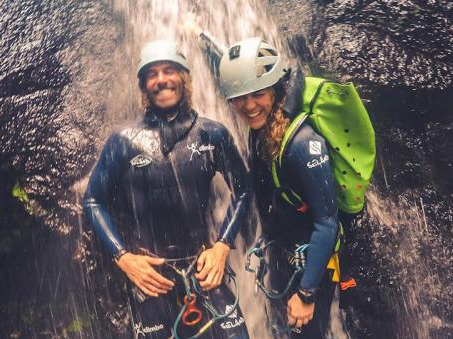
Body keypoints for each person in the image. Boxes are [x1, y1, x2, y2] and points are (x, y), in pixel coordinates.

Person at [83, 40, 251, 339]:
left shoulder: (213, 133)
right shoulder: (123, 141)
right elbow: (94, 201)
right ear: (144, 85)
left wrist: (223, 246)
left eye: (169, 70)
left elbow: (244, 190)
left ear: (184, 77)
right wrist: (124, 258)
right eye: (152, 74)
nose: (161, 80)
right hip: (150, 281)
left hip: (206, 270)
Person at [217, 37, 339, 338]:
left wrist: (307, 294)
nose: (248, 106)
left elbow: (327, 222)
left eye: (257, 94)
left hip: (310, 269)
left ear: (276, 89)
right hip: (284, 260)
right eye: (240, 97)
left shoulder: (301, 143)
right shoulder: (262, 130)